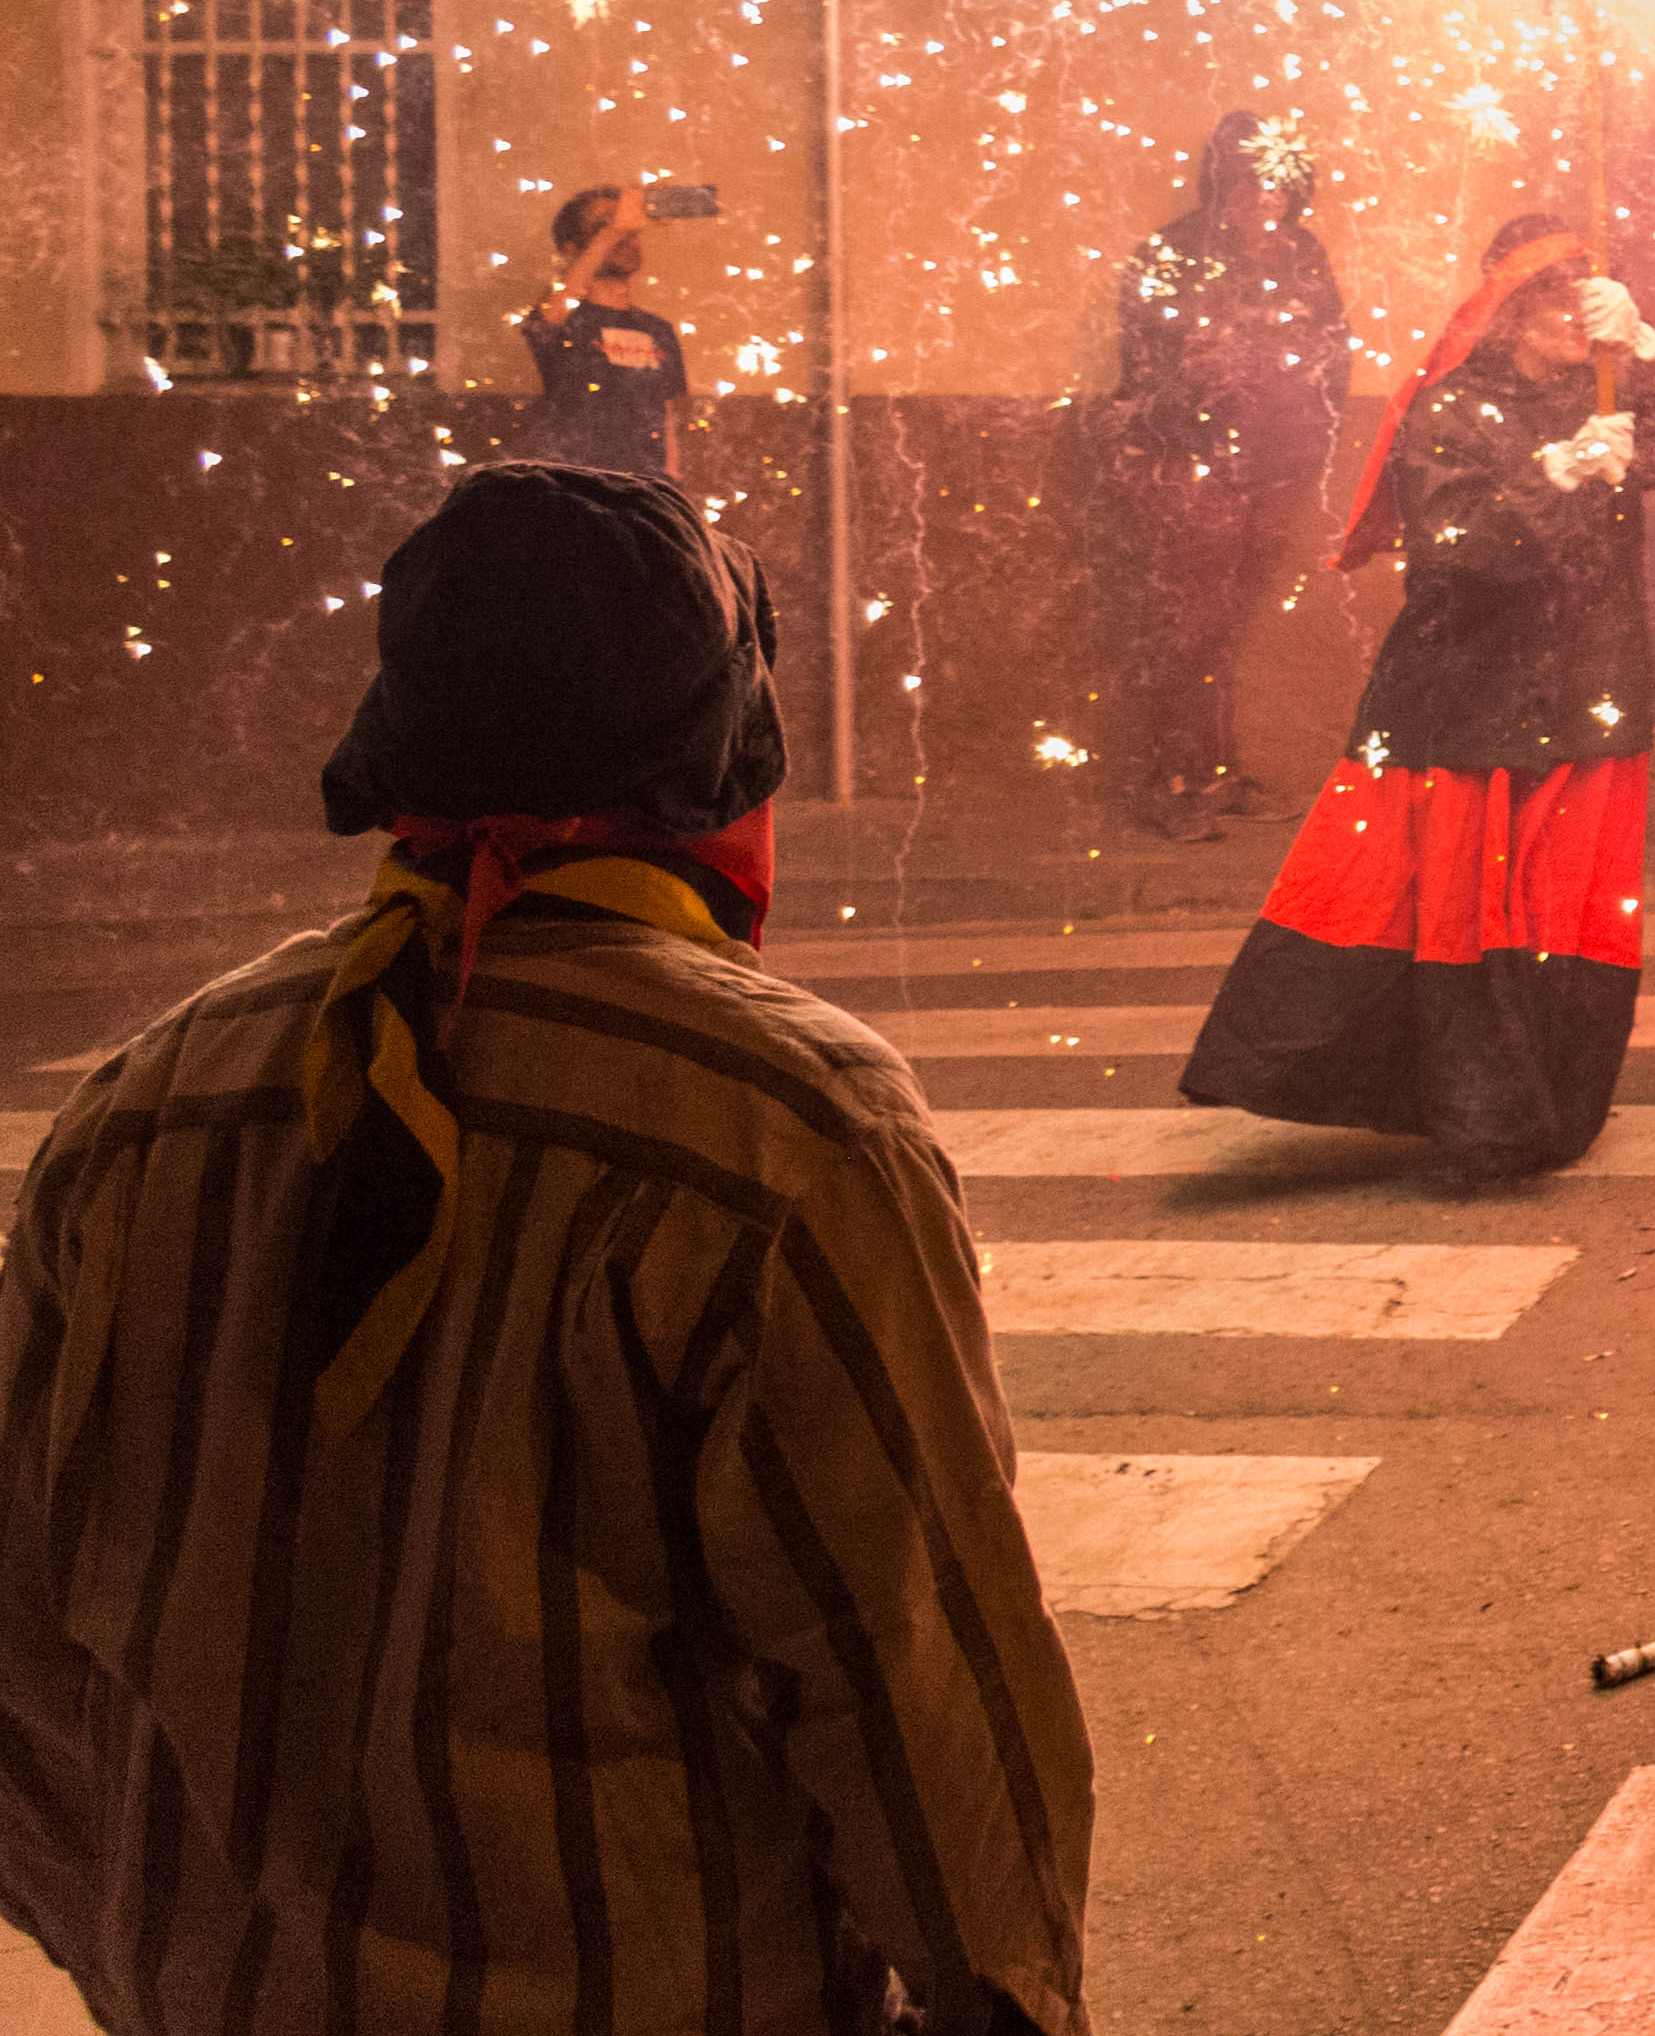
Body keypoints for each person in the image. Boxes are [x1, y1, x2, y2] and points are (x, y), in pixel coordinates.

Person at [0, 464, 1094, 2034]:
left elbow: (27, 1654)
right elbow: (911, 1673)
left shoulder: (141, 1112)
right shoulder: (783, 1129)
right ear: (717, 762)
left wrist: (164, 1956)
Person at [1181, 214, 1655, 1177]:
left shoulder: (1609, 384)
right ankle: (1485, 1118)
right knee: (1471, 916)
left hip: (1593, 692)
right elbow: (1455, 546)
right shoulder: (1451, 410)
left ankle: (1546, 1105)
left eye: (1583, 299)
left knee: (1565, 917)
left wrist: (1650, 349)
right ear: (1506, 314)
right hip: (1473, 701)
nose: (1570, 318)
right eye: (1549, 300)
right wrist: (1551, 479)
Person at [1102, 107, 1352, 840]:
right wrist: (1190, 431)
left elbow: (1334, 347)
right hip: (1189, 466)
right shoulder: (1175, 250)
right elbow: (1145, 362)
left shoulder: (1302, 253)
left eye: (1278, 182)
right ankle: (1167, 781)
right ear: (1222, 179)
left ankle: (1214, 772)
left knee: (1226, 626)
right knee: (1188, 625)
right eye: (1248, 179)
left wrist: (1312, 431)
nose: (1264, 196)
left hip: (1273, 467)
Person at [514, 178, 693, 482]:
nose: (626, 237)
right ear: (573, 251)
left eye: (632, 231)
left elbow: (668, 419)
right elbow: (553, 312)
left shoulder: (658, 329)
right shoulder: (565, 318)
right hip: (577, 489)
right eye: (603, 226)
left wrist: (673, 487)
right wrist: (614, 231)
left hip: (645, 491)